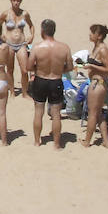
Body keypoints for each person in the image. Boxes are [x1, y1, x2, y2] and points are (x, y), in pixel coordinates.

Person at [27, 19, 71, 149]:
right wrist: (58, 69)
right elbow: (69, 67)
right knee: (56, 114)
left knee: (38, 111)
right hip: (56, 80)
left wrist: (39, 69)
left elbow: (29, 67)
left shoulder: (37, 47)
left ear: (42, 31)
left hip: (41, 80)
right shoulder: (64, 47)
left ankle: (37, 141)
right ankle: (57, 144)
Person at [0, 0, 34, 97]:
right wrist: (1, 36)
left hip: (21, 43)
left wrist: (31, 36)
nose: (16, 3)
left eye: (18, 1)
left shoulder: (25, 14)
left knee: (24, 70)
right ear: (11, 1)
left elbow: (31, 25)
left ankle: (24, 92)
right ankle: (12, 91)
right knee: (10, 69)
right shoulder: (6, 14)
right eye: (14, 0)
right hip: (9, 43)